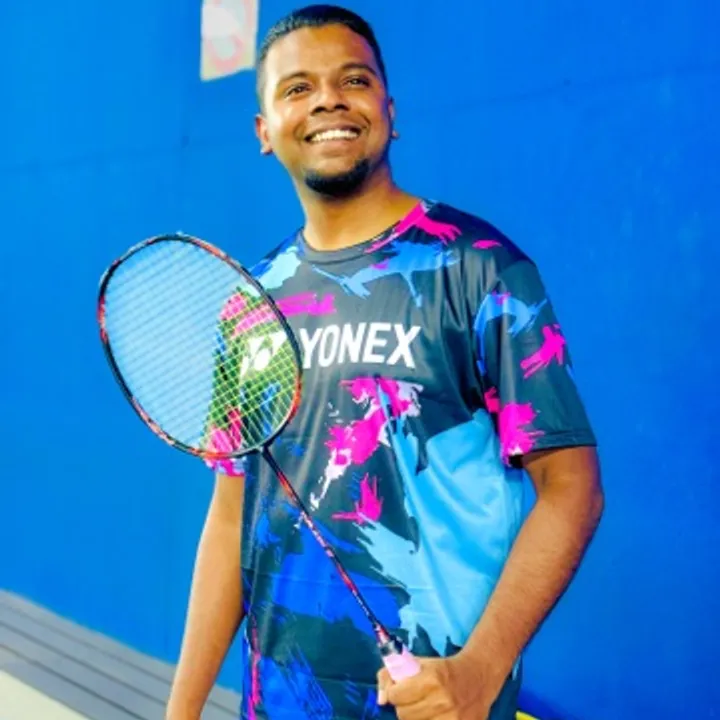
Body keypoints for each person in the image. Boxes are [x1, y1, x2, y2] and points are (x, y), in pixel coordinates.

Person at [166, 5, 604, 719]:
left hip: (440, 702)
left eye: (354, 80)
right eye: (297, 88)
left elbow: (572, 487)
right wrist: (181, 711)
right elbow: (230, 517)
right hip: (280, 701)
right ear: (264, 132)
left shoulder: (479, 269)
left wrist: (480, 669)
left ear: (389, 113)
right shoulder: (252, 304)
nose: (328, 101)